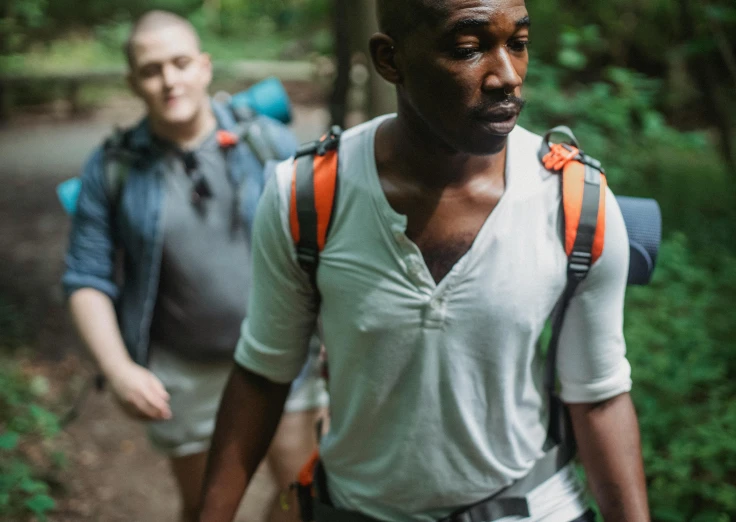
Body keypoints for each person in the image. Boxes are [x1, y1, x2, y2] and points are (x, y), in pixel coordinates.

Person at [199, 0, 650, 520]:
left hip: (533, 505)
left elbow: (598, 395)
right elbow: (262, 374)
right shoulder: (306, 197)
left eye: (519, 44)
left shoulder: (573, 200)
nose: (507, 76)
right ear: (390, 60)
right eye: (468, 49)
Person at [61, 10, 328, 522]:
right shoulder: (113, 167)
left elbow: (319, 246)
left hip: (283, 357)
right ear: (133, 81)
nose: (169, 81)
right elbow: (86, 276)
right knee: (208, 509)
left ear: (204, 66)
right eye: (152, 69)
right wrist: (118, 370)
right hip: (184, 373)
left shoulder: (266, 143)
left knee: (303, 498)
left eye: (181, 63)